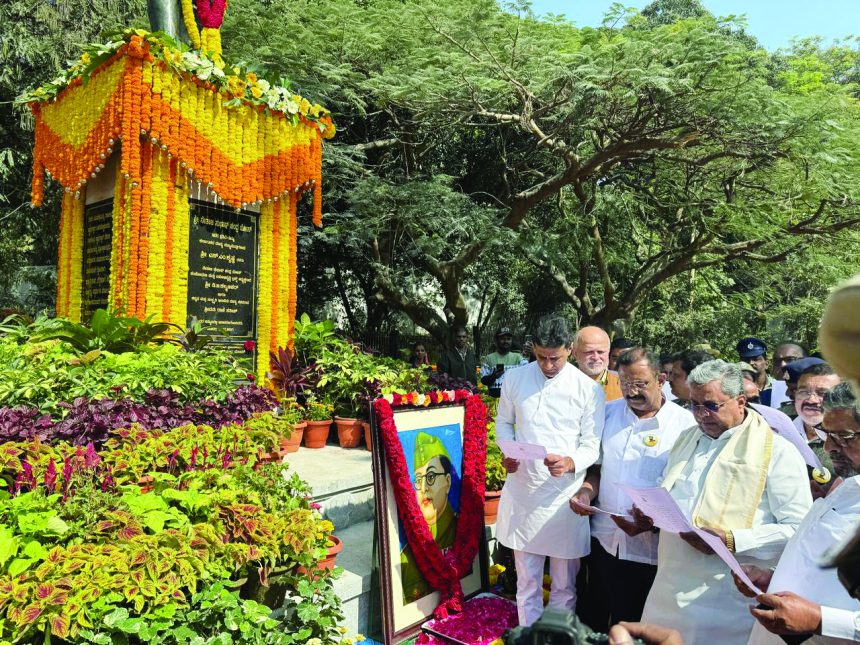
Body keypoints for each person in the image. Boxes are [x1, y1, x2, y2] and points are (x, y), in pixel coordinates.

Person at [639, 360, 812, 645]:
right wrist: (648, 514)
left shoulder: (778, 452)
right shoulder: (688, 439)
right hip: (668, 590)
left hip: (724, 600)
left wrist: (732, 539)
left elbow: (797, 529)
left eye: (711, 406)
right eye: (693, 405)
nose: (700, 415)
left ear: (740, 401)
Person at [571, 347, 695, 629]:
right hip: (604, 541)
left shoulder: (685, 426)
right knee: (596, 620)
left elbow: (688, 490)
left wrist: (652, 523)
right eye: (625, 384)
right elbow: (597, 469)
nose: (631, 392)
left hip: (652, 552)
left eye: (640, 384)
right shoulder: (607, 414)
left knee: (641, 626)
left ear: (661, 379)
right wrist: (586, 493)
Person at [495, 314, 605, 626]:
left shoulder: (588, 389)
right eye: (541, 357)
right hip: (524, 493)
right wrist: (508, 448)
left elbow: (592, 444)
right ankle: (530, 636)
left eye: (554, 358)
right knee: (527, 582)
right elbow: (504, 421)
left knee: (564, 586)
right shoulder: (516, 379)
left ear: (569, 349)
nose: (547, 365)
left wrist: (571, 462)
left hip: (564, 499)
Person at [737, 383, 860, 644]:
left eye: (844, 437)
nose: (828, 448)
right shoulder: (847, 485)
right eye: (827, 434)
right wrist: (776, 578)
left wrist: (817, 619)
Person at [399, 432, 458, 603]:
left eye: (431, 477)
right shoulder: (406, 555)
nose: (423, 487)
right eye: (418, 480)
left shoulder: (463, 532)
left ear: (447, 482)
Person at [794, 362, 841, 476]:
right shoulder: (776, 430)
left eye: (823, 393)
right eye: (804, 392)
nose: (811, 400)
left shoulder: (851, 440)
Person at [574, 326, 623, 401]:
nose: (596, 357)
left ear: (608, 352)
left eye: (600, 352)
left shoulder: (624, 384)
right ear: (575, 353)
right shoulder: (561, 385)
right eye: (589, 352)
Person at [480, 326, 524, 398]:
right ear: (497, 340)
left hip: (514, 400)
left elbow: (528, 374)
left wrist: (533, 355)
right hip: (494, 400)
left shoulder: (518, 358)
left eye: (508, 339)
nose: (506, 341)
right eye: (502, 339)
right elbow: (483, 381)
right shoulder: (489, 358)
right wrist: (493, 376)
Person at [736, 337, 774, 405]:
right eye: (746, 360)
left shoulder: (776, 386)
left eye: (756, 359)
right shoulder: (735, 388)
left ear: (766, 364)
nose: (751, 363)